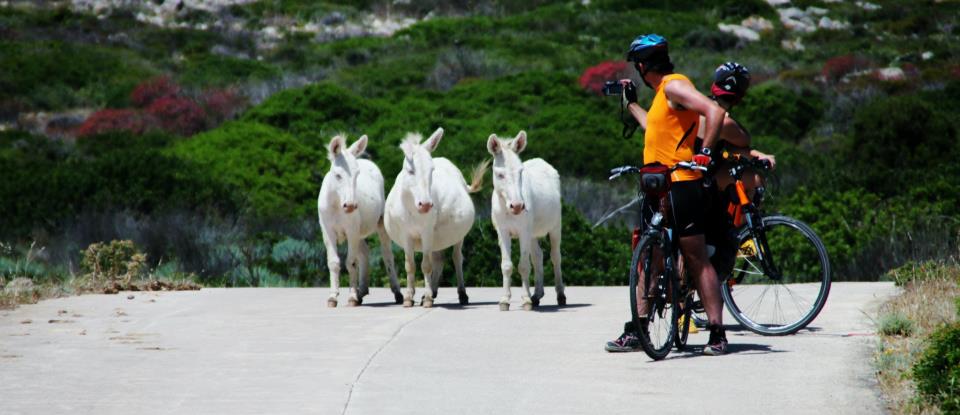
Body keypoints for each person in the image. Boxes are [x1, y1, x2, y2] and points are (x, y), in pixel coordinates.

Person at [603, 34, 729, 356]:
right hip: (656, 183)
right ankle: (639, 330)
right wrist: (631, 103)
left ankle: (717, 332)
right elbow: (655, 129)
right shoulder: (662, 95)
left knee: (696, 257)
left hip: (682, 182)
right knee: (650, 258)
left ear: (643, 66)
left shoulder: (674, 86)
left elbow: (714, 112)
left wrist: (704, 155)